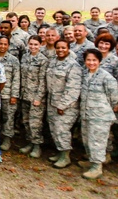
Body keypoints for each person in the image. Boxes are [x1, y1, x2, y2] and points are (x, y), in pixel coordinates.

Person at [78, 49, 118, 179]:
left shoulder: (106, 77)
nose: (91, 63)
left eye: (94, 60)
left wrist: (108, 107)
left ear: (99, 61)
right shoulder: (84, 74)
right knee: (87, 140)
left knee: (97, 142)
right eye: (88, 60)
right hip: (86, 113)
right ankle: (92, 161)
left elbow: (114, 98)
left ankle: (97, 167)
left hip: (100, 116)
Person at [46, 39, 83, 168]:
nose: (60, 50)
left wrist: (63, 105)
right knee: (54, 129)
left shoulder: (73, 66)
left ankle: (65, 156)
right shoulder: (53, 62)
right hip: (52, 102)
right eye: (58, 48)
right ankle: (60, 152)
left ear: (68, 49)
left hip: (66, 106)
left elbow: (73, 89)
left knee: (62, 130)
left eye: (63, 48)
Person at [18, 36, 48, 158]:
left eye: (36, 44)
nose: (33, 47)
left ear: (40, 45)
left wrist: (39, 97)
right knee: (25, 121)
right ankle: (30, 141)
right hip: (24, 94)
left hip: (36, 97)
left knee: (35, 122)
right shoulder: (25, 57)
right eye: (31, 44)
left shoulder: (43, 60)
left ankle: (37, 145)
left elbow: (43, 81)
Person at [0, 36, 20, 151]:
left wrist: (14, 95)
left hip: (7, 94)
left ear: (8, 45)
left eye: (5, 44)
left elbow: (16, 78)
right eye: (1, 44)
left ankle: (7, 139)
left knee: (8, 118)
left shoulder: (13, 60)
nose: (3, 46)